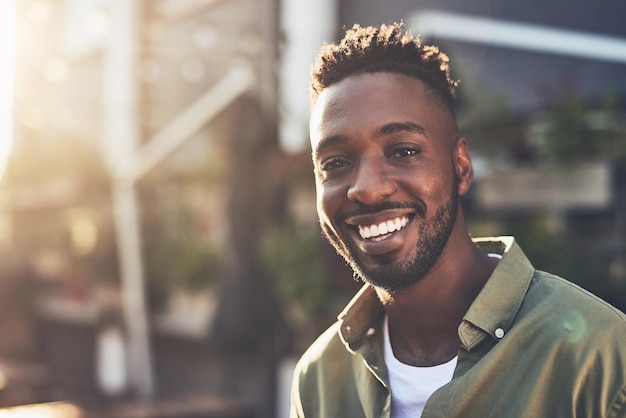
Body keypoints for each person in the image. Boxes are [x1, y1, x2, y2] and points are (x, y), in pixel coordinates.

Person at [289, 22, 626, 418]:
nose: (366, 189)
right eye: (336, 163)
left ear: (461, 167)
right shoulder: (318, 379)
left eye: (403, 151)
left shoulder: (600, 356)